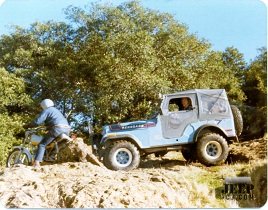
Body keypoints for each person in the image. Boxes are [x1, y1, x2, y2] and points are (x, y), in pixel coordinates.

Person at [24, 99, 71, 168]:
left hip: (57, 128)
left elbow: (37, 122)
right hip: (67, 129)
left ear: (43, 105)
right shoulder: (56, 111)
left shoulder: (47, 110)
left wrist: (28, 125)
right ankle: (51, 157)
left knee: (42, 144)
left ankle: (36, 163)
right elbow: (54, 121)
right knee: (51, 144)